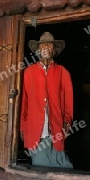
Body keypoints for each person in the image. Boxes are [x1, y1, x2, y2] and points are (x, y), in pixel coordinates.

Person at [20, 32, 73, 168]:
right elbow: (24, 101)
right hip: (35, 129)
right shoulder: (29, 72)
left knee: (65, 166)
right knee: (40, 167)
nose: (46, 47)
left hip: (56, 127)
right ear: (38, 50)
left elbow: (69, 100)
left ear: (54, 50)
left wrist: (67, 121)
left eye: (49, 44)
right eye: (43, 44)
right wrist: (23, 126)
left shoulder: (63, 72)